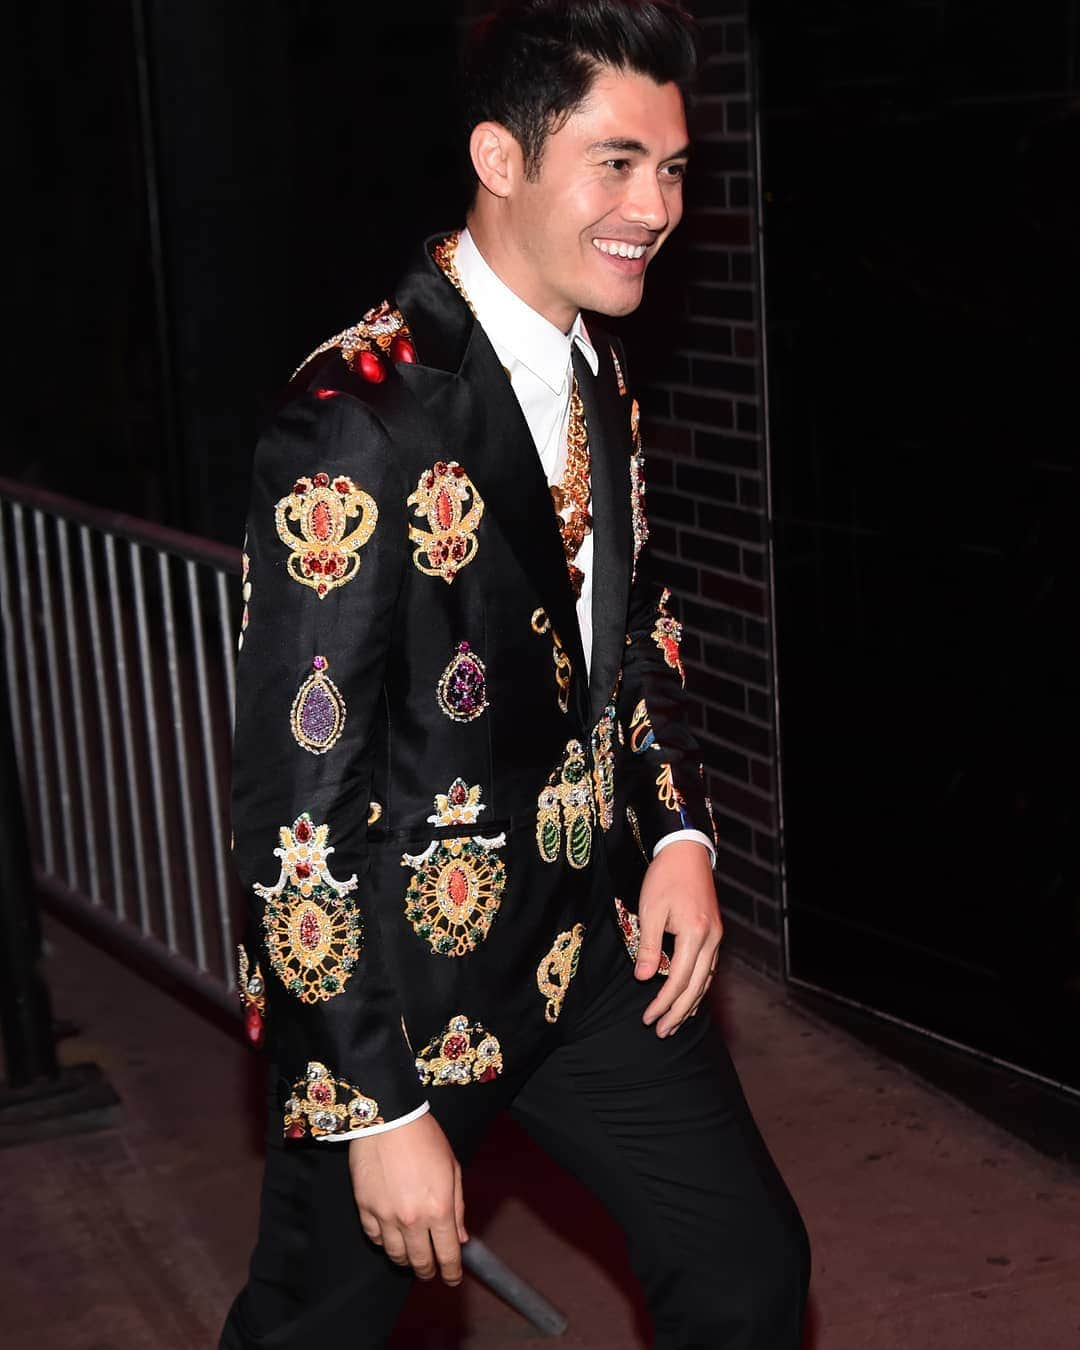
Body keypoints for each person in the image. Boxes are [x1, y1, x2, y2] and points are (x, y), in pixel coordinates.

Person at [221, 2, 810, 1346]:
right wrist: (373, 1105)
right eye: (615, 163)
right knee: (311, 1330)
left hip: (585, 952)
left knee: (748, 1269)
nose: (654, 205)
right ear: (500, 156)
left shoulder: (595, 362)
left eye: (671, 168)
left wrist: (675, 828)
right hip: (403, 995)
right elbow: (292, 806)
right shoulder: (354, 415)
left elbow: (629, 622)